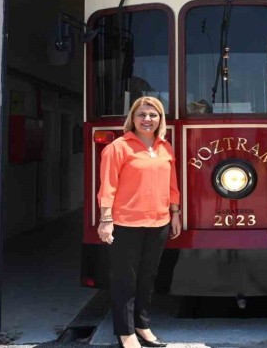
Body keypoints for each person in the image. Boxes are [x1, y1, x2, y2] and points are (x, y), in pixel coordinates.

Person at [97, 96, 182, 348]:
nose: (147, 119)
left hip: (159, 222)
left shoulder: (165, 147)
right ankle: (125, 333)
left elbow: (172, 184)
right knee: (125, 279)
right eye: (142, 114)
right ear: (132, 118)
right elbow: (108, 186)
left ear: (160, 119)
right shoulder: (118, 147)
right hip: (126, 223)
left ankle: (142, 325)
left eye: (153, 115)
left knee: (148, 276)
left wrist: (175, 213)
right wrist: (105, 220)